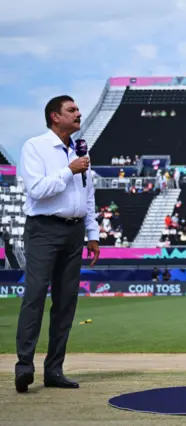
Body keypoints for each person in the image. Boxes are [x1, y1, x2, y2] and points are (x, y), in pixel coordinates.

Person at [15, 95, 100, 393]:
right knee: (35, 296)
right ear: (55, 116)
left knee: (66, 303)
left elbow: (87, 197)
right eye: (72, 110)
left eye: (77, 109)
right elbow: (37, 191)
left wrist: (93, 234)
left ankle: (54, 370)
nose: (79, 113)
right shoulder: (35, 147)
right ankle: (24, 367)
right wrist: (69, 170)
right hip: (44, 229)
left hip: (75, 231)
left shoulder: (79, 151)